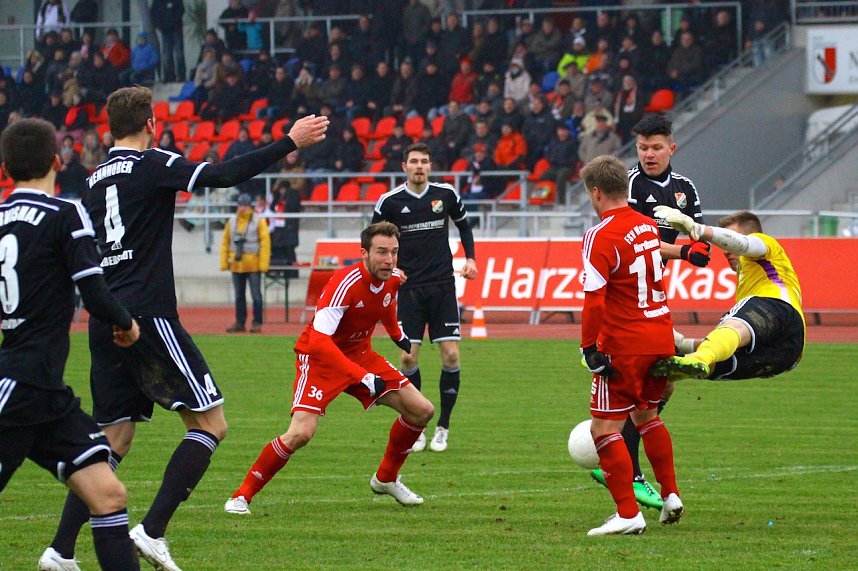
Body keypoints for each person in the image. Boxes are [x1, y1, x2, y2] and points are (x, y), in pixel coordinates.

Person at [40, 86, 328, 571]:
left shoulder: (91, 181)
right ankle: (152, 531)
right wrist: (289, 141)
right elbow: (220, 175)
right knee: (210, 424)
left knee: (113, 438)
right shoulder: (152, 162)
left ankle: (61, 550)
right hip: (147, 315)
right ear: (151, 124)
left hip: (103, 315)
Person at [0, 118, 141, 571]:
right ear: (58, 162)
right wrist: (127, 324)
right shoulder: (65, 213)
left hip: (45, 394)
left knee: (108, 494)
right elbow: (94, 289)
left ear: (6, 168)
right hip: (19, 386)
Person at [224, 222, 434, 514]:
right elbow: (320, 342)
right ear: (364, 253)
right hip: (321, 359)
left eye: (394, 252)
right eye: (382, 252)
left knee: (421, 410)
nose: (389, 259)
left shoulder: (392, 278)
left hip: (360, 355)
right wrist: (362, 376)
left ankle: (386, 478)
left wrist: (397, 335)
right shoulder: (343, 284)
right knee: (301, 433)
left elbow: (386, 303)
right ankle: (241, 496)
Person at [590, 113, 710, 510]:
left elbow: (698, 237)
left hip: (650, 304)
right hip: (630, 309)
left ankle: (634, 482)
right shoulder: (627, 185)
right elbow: (641, 242)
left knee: (654, 396)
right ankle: (638, 476)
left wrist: (700, 247)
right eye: (642, 147)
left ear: (671, 148)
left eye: (656, 147)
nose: (649, 154)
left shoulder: (685, 189)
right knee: (642, 403)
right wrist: (683, 251)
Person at [578, 154, 683, 536]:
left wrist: (590, 347)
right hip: (660, 335)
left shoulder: (599, 234)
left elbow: (594, 298)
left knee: (603, 429)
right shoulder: (646, 226)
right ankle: (670, 495)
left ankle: (627, 513)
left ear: (596, 192)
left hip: (625, 342)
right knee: (647, 417)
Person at [371, 143, 478, 453]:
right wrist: (389, 269)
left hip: (443, 285)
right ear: (404, 166)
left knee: (452, 356)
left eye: (425, 162)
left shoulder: (445, 195)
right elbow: (373, 239)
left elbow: (464, 225)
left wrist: (470, 258)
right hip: (407, 289)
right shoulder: (390, 201)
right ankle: (416, 425)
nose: (419, 166)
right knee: (407, 357)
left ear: (430, 166)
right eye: (414, 161)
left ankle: (442, 426)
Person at [651, 209, 804, 381]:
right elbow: (726, 340)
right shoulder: (749, 279)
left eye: (727, 240)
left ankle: (697, 359)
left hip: (780, 308)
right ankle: (680, 369)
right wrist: (683, 344)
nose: (724, 250)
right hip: (788, 353)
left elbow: (743, 244)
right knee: (716, 362)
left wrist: (698, 229)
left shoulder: (766, 245)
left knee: (730, 328)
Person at [221, 193, 270, 333]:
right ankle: (240, 322)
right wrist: (224, 262)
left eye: (245, 205)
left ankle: (257, 322)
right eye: (240, 205)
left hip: (253, 263)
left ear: (250, 206)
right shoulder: (231, 221)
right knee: (239, 296)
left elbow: (265, 243)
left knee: (256, 295)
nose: (242, 208)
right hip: (236, 264)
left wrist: (263, 264)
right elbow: (225, 242)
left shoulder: (258, 221)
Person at [151, 0, 186, 83]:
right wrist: (160, 25)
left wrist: (172, 22)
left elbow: (181, 10)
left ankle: (181, 76)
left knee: (179, 54)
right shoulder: (157, 2)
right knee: (167, 55)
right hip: (165, 30)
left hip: (176, 28)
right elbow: (153, 13)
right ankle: (169, 76)